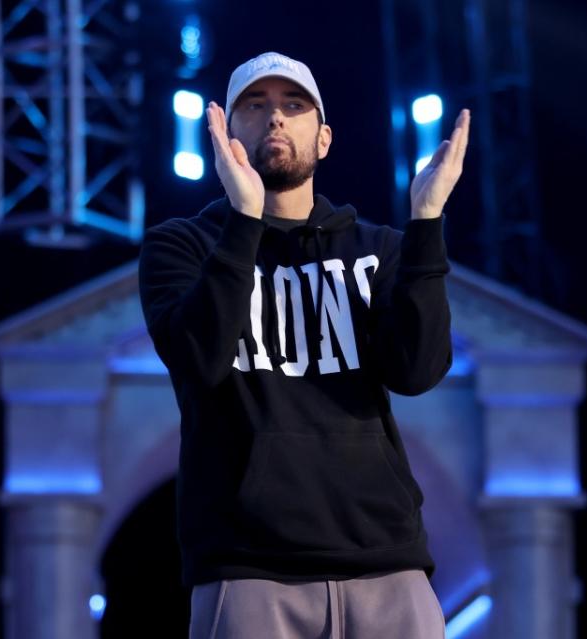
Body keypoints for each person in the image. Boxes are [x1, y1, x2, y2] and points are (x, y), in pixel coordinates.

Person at [138, 51, 470, 638]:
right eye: (255, 106)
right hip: (249, 571)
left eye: (294, 106)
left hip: (387, 566)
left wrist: (427, 220)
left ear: (324, 138)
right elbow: (201, 358)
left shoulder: (380, 248)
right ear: (225, 132)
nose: (275, 119)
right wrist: (245, 219)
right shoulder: (181, 247)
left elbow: (417, 370)